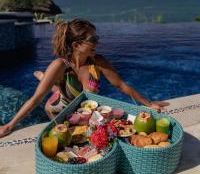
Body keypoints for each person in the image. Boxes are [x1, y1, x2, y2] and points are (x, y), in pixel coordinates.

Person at [0, 19, 169, 137]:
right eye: (93, 40)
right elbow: (36, 99)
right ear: (76, 45)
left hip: (85, 108)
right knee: (58, 97)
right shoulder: (59, 65)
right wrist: (10, 125)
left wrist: (149, 103)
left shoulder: (99, 62)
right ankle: (46, 79)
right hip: (59, 108)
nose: (98, 43)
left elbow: (122, 86)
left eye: (97, 38)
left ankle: (47, 80)